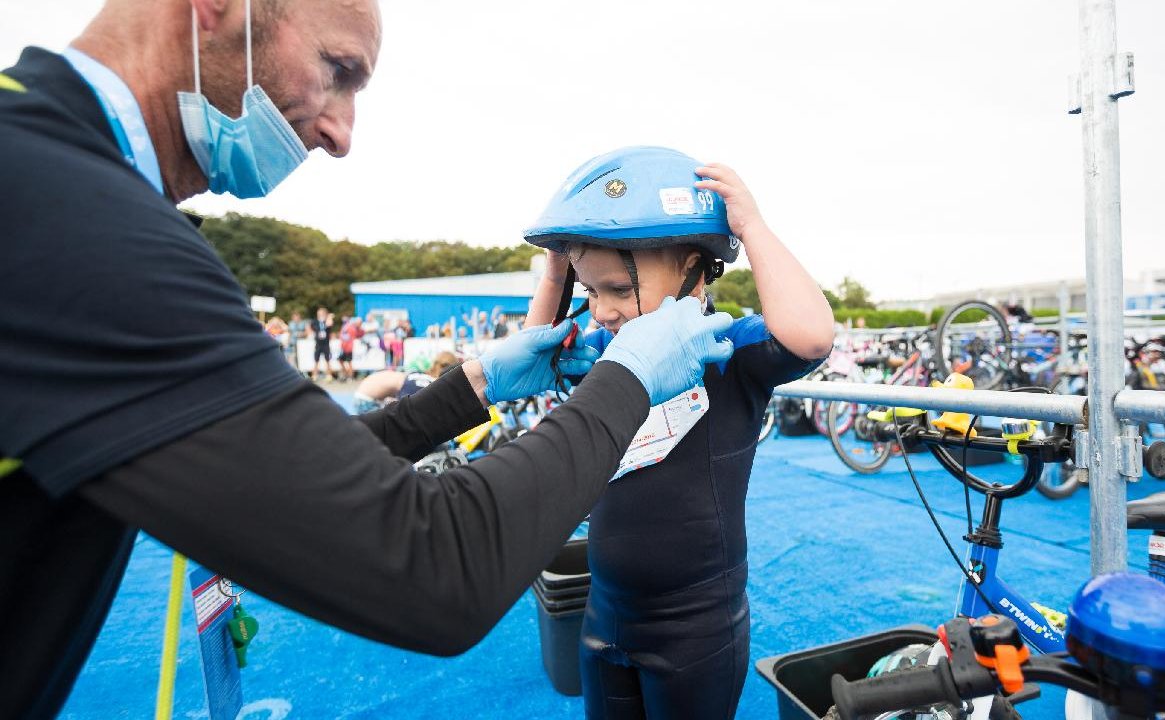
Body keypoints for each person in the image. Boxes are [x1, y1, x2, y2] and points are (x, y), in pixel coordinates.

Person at [0, 4, 735, 718]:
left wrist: (476, 383)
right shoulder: (67, 213)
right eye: (337, 68)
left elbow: (299, 470)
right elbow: (434, 568)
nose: (341, 130)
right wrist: (628, 377)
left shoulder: (47, 172)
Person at [523, 147, 834, 719]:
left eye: (618, 289)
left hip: (695, 628)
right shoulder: (606, 354)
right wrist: (556, 271)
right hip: (605, 611)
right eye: (591, 292)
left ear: (693, 270)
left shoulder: (727, 349)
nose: (601, 312)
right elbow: (534, 351)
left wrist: (754, 227)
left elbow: (810, 336)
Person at [309, 306, 335, 381]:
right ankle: (314, 376)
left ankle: (329, 376)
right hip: (318, 343)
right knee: (316, 360)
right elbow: (314, 328)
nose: (320, 315)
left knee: (327, 360)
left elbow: (329, 324)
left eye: (321, 314)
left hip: (326, 343)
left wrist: (329, 317)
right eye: (319, 314)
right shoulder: (315, 322)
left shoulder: (327, 321)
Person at [338, 313, 364, 381]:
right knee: (341, 360)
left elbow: (355, 335)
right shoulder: (346, 326)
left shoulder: (352, 328)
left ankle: (350, 376)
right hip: (344, 347)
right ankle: (346, 374)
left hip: (348, 347)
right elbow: (342, 335)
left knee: (349, 362)